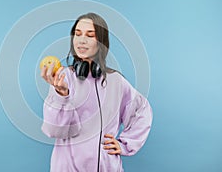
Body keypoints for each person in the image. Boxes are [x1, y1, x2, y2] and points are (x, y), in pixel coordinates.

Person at [40, 12, 153, 172]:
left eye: (90, 35)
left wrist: (125, 144)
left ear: (101, 42)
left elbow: (142, 111)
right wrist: (62, 96)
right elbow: (54, 131)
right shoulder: (62, 78)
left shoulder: (116, 81)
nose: (82, 40)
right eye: (77, 34)